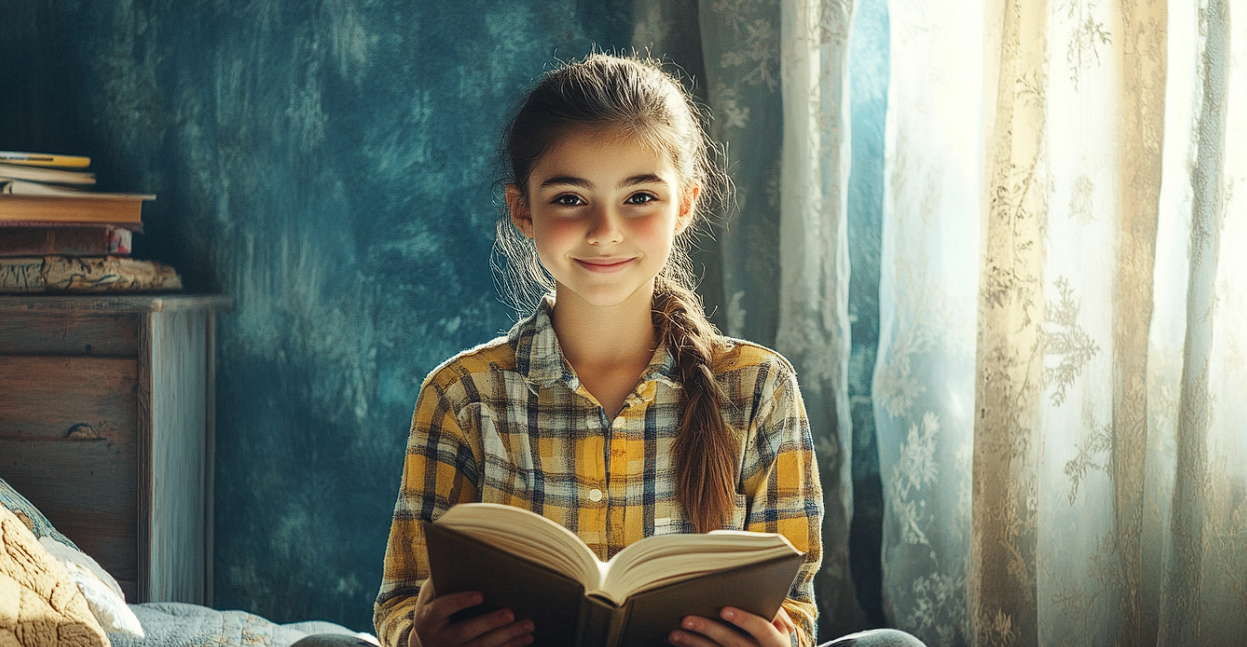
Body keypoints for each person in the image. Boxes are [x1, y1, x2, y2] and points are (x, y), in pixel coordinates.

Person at [364, 53, 926, 647]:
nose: (606, 229)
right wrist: (423, 638)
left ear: (684, 204)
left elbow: (796, 609)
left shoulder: (760, 387)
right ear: (522, 210)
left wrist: (776, 642)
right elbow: (402, 600)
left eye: (639, 197)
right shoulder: (460, 394)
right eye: (570, 199)